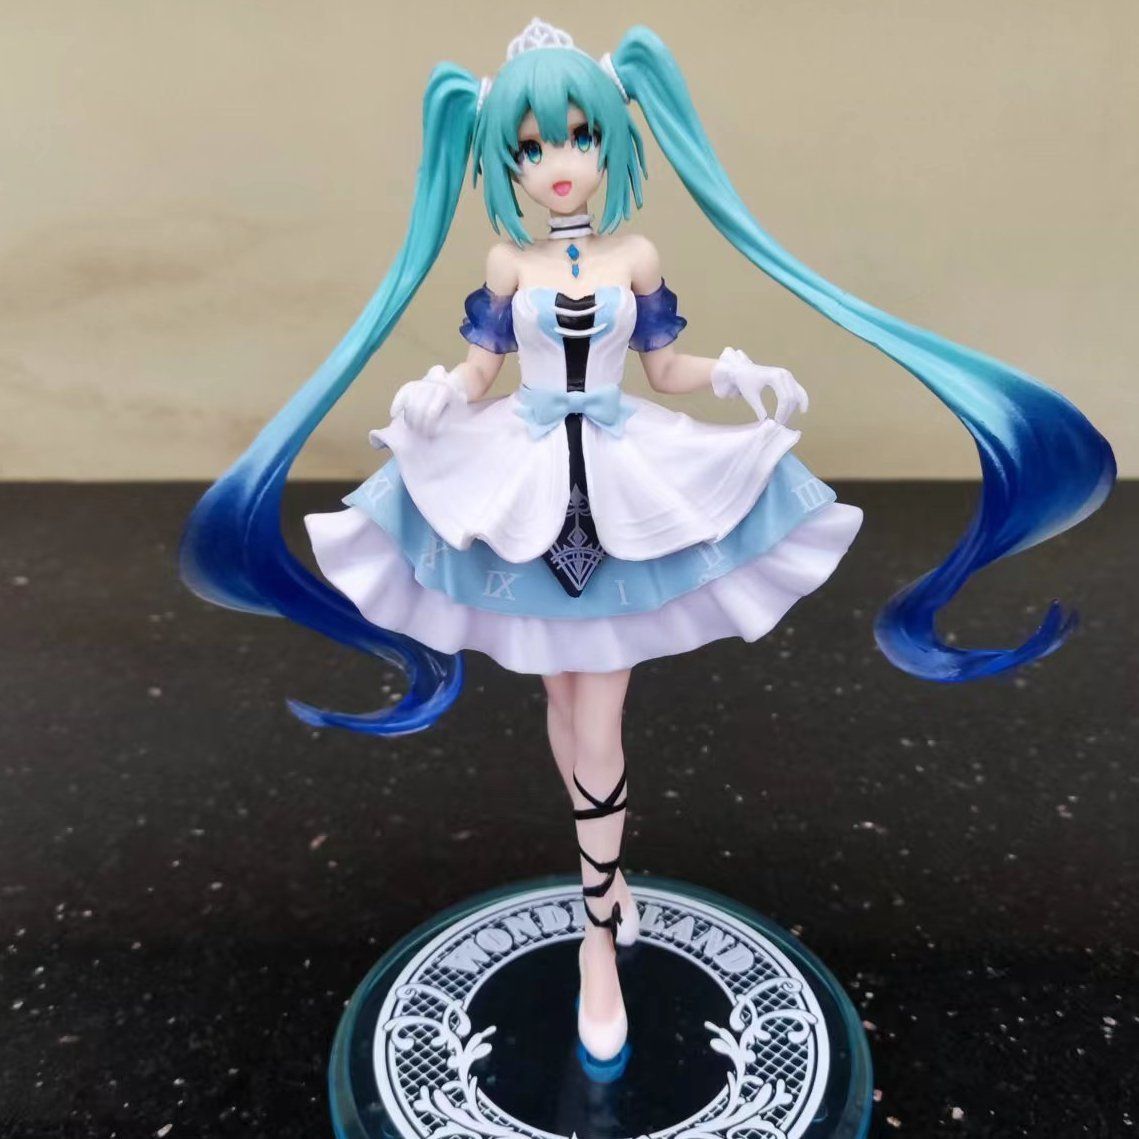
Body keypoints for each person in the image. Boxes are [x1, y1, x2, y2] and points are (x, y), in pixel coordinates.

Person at [179, 20, 1116, 1064]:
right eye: (530, 147)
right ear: (500, 161)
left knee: (598, 716)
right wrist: (434, 395)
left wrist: (738, 374)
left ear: (614, 141)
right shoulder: (506, 261)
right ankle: (607, 878)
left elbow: (665, 368)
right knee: (560, 695)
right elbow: (480, 369)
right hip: (526, 489)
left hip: (625, 491)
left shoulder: (635, 256)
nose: (558, 164)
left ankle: (595, 940)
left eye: (577, 137)